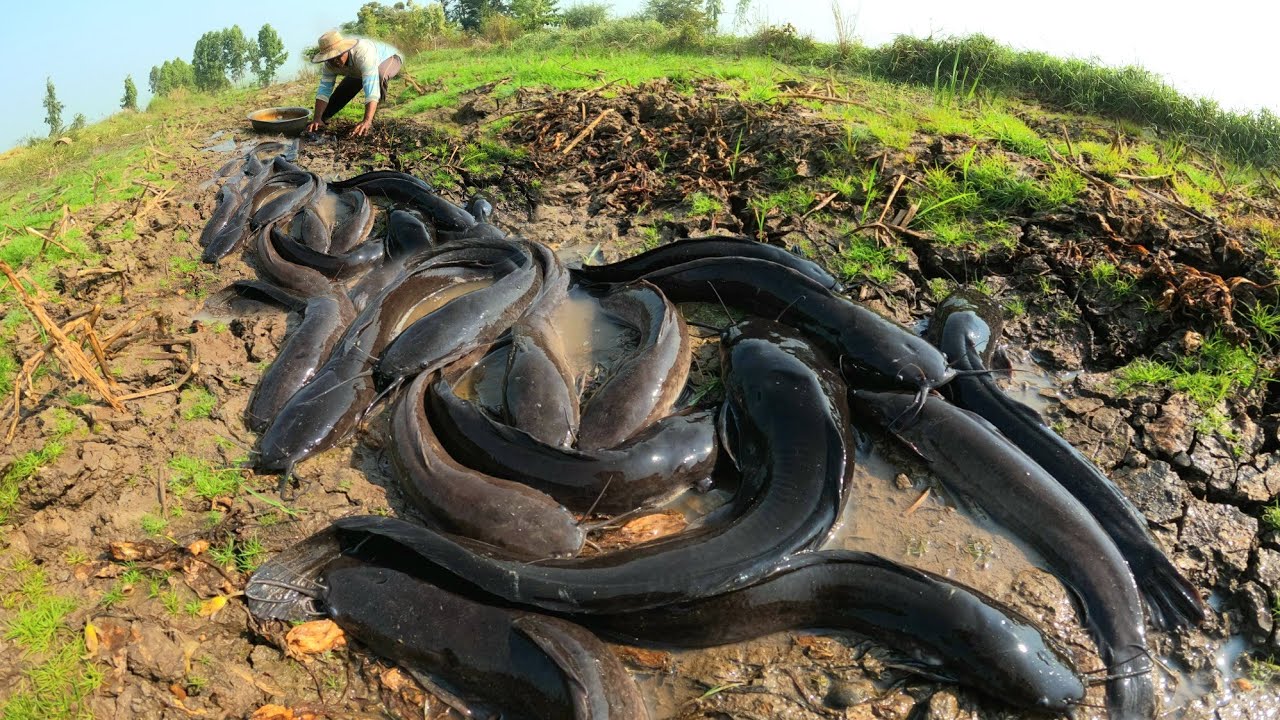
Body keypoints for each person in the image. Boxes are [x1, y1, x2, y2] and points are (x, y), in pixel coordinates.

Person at [306, 30, 403, 137]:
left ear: (345, 50)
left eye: (338, 56)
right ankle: (322, 120)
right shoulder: (329, 65)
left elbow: (371, 89)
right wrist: (317, 118)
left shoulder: (363, 54)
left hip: (389, 59)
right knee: (342, 92)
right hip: (358, 70)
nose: (335, 61)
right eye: (330, 59)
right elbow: (324, 90)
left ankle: (374, 118)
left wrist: (366, 120)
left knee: (380, 75)